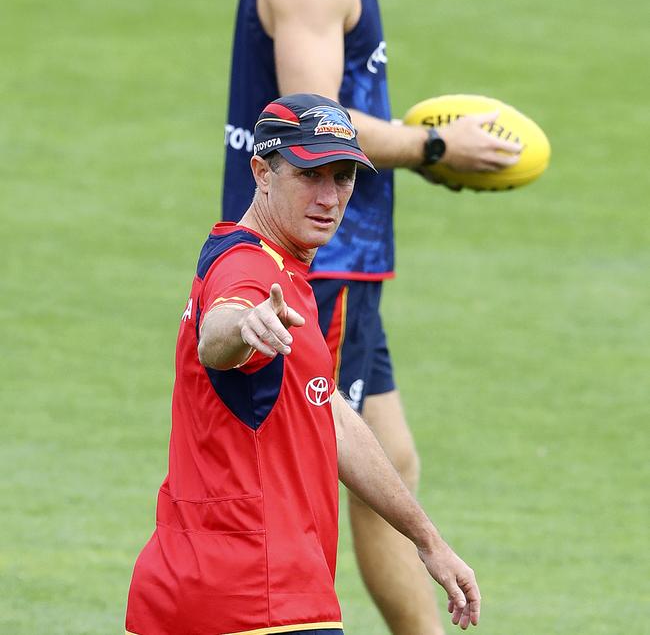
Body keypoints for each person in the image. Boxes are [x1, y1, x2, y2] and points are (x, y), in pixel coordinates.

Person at [221, 0, 521, 634]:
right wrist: (434, 147)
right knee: (311, 479)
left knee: (392, 462)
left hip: (346, 262)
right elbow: (315, 120)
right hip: (316, 264)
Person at [125, 94, 481, 635]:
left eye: (342, 178)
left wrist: (427, 541)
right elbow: (221, 328)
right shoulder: (248, 269)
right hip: (258, 597)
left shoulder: (276, 269)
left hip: (187, 590)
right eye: (310, 174)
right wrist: (243, 328)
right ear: (261, 172)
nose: (329, 197)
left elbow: (331, 416)